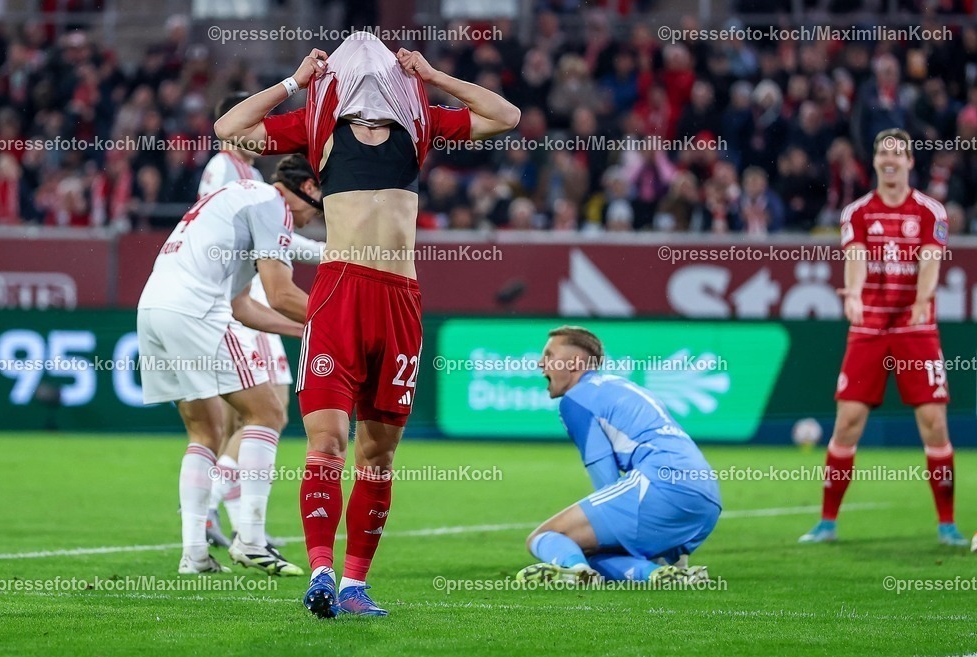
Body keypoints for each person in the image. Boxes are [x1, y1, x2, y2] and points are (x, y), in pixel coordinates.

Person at [214, 32, 519, 617]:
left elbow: (505, 115)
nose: (368, 56)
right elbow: (229, 130)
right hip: (341, 293)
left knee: (377, 456)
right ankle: (323, 573)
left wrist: (433, 76)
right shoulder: (315, 124)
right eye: (357, 55)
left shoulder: (421, 123)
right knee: (326, 444)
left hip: (399, 301)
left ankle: (355, 584)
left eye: (381, 54)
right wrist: (293, 83)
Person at [136, 155, 321, 574]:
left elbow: (243, 306)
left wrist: (303, 332)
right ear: (307, 189)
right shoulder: (269, 203)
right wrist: (338, 325)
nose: (313, 218)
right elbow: (281, 295)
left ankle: (194, 556)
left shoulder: (239, 202)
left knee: (207, 431)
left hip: (153, 310)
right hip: (194, 312)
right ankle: (252, 539)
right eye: (317, 203)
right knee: (268, 412)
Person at [800, 129, 966, 546]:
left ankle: (947, 524)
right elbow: (854, 261)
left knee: (934, 423)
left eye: (898, 153)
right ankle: (827, 522)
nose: (890, 160)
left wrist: (922, 299)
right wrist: (853, 294)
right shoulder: (856, 213)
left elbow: (930, 263)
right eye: (882, 153)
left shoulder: (931, 212)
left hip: (916, 328)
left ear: (910, 161)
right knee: (848, 423)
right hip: (869, 329)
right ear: (874, 162)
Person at [198, 93, 325, 556]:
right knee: (263, 411)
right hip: (243, 298)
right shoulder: (225, 169)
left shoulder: (249, 174)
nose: (260, 131)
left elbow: (280, 240)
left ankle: (240, 523)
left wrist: (322, 251)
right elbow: (232, 235)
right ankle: (215, 512)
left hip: (247, 294)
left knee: (256, 416)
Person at [515, 326, 722, 586]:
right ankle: (659, 575)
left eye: (549, 355)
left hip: (662, 485)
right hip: (707, 498)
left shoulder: (576, 399)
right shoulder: (620, 386)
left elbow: (606, 483)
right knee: (599, 549)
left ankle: (578, 572)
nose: (540, 363)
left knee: (544, 537)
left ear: (576, 362)